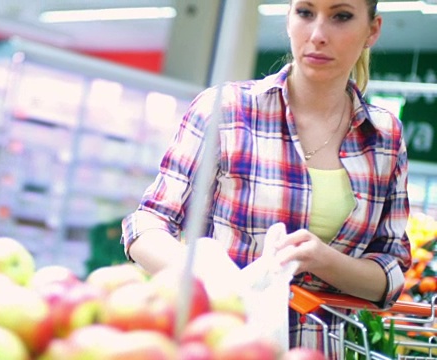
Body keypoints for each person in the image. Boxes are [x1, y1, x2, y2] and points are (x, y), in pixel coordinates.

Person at [120, 0, 411, 356]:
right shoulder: (226, 110)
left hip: (320, 349)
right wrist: (215, 281)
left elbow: (391, 273)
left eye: (341, 16)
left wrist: (323, 260)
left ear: (373, 30)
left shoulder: (384, 137)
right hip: (220, 343)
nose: (318, 35)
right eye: (305, 12)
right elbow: (147, 224)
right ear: (289, 19)